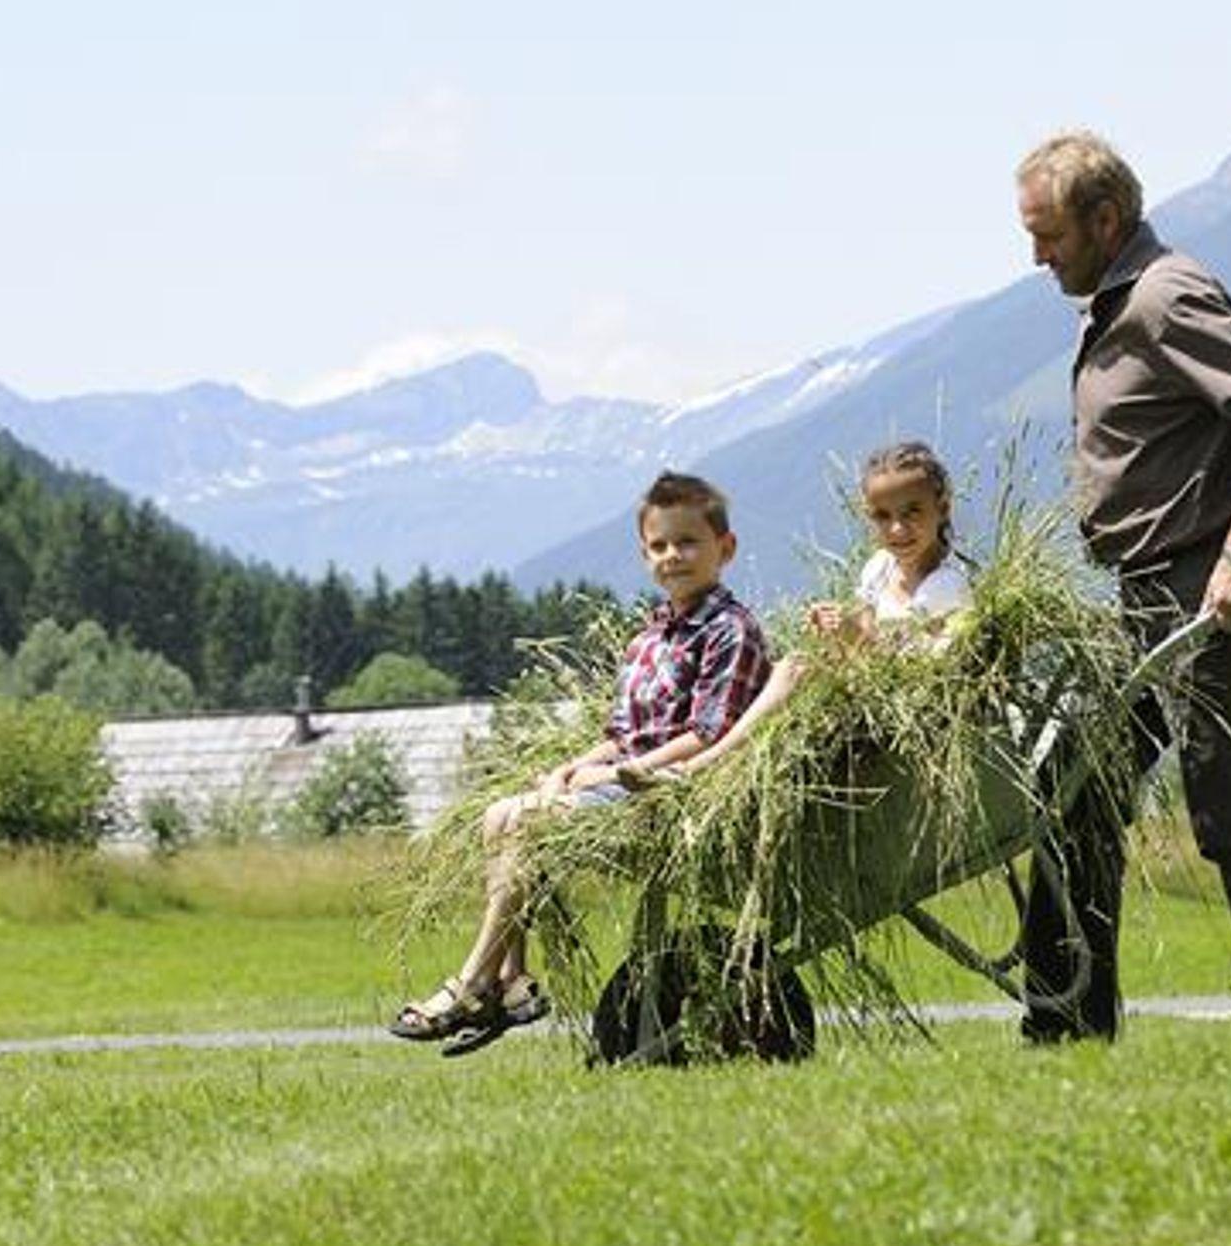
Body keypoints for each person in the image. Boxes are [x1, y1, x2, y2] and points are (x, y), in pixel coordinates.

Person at [1014, 129, 1231, 1040]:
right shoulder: (1116, 306)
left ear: (1106, 220)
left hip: (1204, 587)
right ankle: (1065, 1030)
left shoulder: (1163, 296)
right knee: (1074, 788)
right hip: (1145, 593)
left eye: (1049, 235)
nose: (1037, 257)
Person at [388, 470, 771, 1055]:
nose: (673, 556)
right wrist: (570, 768)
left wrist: (611, 774)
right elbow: (622, 734)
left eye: (688, 542)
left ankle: (472, 982)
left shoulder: (729, 630)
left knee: (526, 822)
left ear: (726, 547)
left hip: (677, 791)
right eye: (660, 545)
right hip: (627, 781)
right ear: (644, 555)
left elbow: (706, 734)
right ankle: (512, 980)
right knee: (500, 815)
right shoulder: (650, 638)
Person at [646, 440, 974, 781]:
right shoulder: (880, 567)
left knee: (796, 669)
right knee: (787, 667)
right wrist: (836, 625)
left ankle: (701, 765)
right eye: (883, 516)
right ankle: (711, 759)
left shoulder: (946, 586)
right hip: (864, 679)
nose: (897, 529)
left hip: (904, 706)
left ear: (943, 508)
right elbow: (865, 626)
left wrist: (858, 641)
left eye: (912, 512)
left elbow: (928, 672)